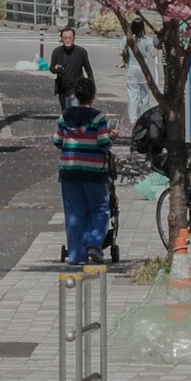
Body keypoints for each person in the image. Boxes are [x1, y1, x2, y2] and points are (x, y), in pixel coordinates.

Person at [54, 69, 116, 265]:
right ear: (93, 95)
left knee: (74, 212)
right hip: (93, 172)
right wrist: (112, 136)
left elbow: (57, 141)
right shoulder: (98, 118)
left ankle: (76, 254)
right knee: (99, 208)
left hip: (69, 172)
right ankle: (93, 244)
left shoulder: (65, 116)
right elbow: (104, 143)